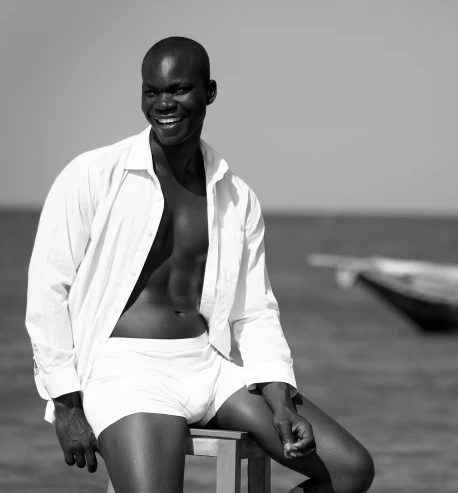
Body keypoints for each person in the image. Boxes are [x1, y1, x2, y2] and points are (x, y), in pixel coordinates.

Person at [25, 36, 375, 493]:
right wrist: (68, 406)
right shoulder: (93, 175)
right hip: (126, 373)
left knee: (351, 470)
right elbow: (48, 292)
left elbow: (255, 311)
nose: (163, 103)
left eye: (179, 90)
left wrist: (282, 401)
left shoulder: (235, 196)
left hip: (208, 366)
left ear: (209, 92)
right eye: (152, 91)